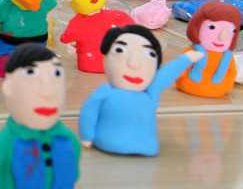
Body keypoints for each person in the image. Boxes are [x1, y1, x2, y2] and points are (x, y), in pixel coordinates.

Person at [79, 24, 202, 156]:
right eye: (120, 50)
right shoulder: (105, 93)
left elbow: (163, 77)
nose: (134, 63)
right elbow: (89, 112)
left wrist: (185, 60)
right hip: (109, 141)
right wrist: (87, 136)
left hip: (147, 146)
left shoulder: (149, 94)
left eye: (149, 54)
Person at [0, 44, 80, 189]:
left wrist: (73, 179)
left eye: (56, 73)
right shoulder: (8, 138)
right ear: (8, 88)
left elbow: (75, 153)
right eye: (30, 72)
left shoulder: (64, 134)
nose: (48, 92)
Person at [58, 0, 134, 73]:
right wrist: (69, 46)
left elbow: (135, 33)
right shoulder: (77, 23)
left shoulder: (119, 17)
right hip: (89, 65)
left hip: (117, 66)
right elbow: (67, 39)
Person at [175, 0, 242, 98]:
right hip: (188, 87)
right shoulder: (193, 52)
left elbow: (231, 72)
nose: (222, 37)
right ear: (197, 27)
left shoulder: (227, 56)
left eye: (232, 30)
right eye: (212, 27)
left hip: (219, 90)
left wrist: (227, 83)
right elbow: (180, 67)